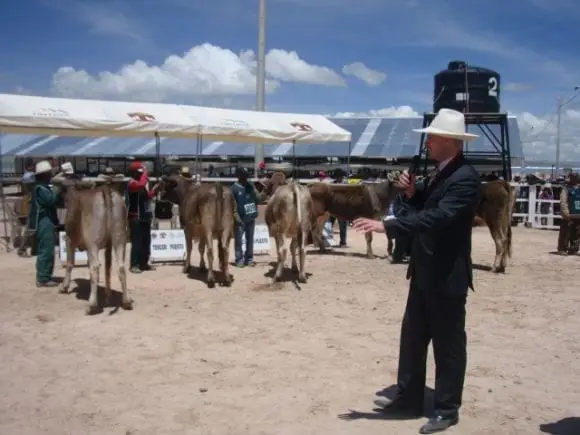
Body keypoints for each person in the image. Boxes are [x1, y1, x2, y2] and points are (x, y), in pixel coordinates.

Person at [352, 108, 482, 434]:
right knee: (412, 338)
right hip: (424, 271)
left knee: (448, 345)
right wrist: (412, 193)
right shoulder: (442, 172)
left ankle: (447, 408)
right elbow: (426, 205)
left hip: (447, 275)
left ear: (450, 141)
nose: (428, 144)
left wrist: (388, 226)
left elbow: (438, 218)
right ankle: (408, 398)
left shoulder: (465, 178)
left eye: (433, 138)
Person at [28, 160, 63, 287]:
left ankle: (45, 276)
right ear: (43, 175)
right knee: (46, 250)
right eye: (48, 173)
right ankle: (43, 278)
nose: (50, 175)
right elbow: (50, 200)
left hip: (46, 221)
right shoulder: (40, 189)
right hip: (43, 221)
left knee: (48, 249)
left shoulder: (42, 187)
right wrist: (58, 187)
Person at [127, 161, 158, 273]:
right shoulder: (131, 183)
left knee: (146, 241)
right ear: (134, 173)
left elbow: (147, 195)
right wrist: (145, 174)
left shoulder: (140, 182)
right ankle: (134, 264)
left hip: (145, 216)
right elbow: (140, 185)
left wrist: (155, 190)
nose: (141, 174)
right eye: (139, 172)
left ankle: (144, 263)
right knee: (137, 242)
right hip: (135, 216)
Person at [231, 167, 263, 267]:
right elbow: (233, 207)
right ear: (239, 176)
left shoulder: (250, 187)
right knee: (239, 241)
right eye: (244, 176)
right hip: (240, 219)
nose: (246, 178)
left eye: (247, 176)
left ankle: (249, 259)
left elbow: (259, 200)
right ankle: (239, 259)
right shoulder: (234, 189)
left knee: (250, 240)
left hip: (251, 218)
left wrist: (256, 189)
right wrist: (237, 219)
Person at [557, 172, 580, 255]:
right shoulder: (566, 189)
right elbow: (563, 202)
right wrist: (566, 214)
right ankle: (562, 248)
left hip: (578, 214)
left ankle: (574, 248)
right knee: (565, 232)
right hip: (569, 214)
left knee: (577, 233)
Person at [328, 168, 348, 247]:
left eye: (340, 176)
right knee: (329, 225)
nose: (339, 177)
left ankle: (343, 242)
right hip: (333, 207)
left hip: (341, 208)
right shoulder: (332, 184)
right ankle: (328, 241)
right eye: (338, 176)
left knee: (342, 226)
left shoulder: (345, 184)